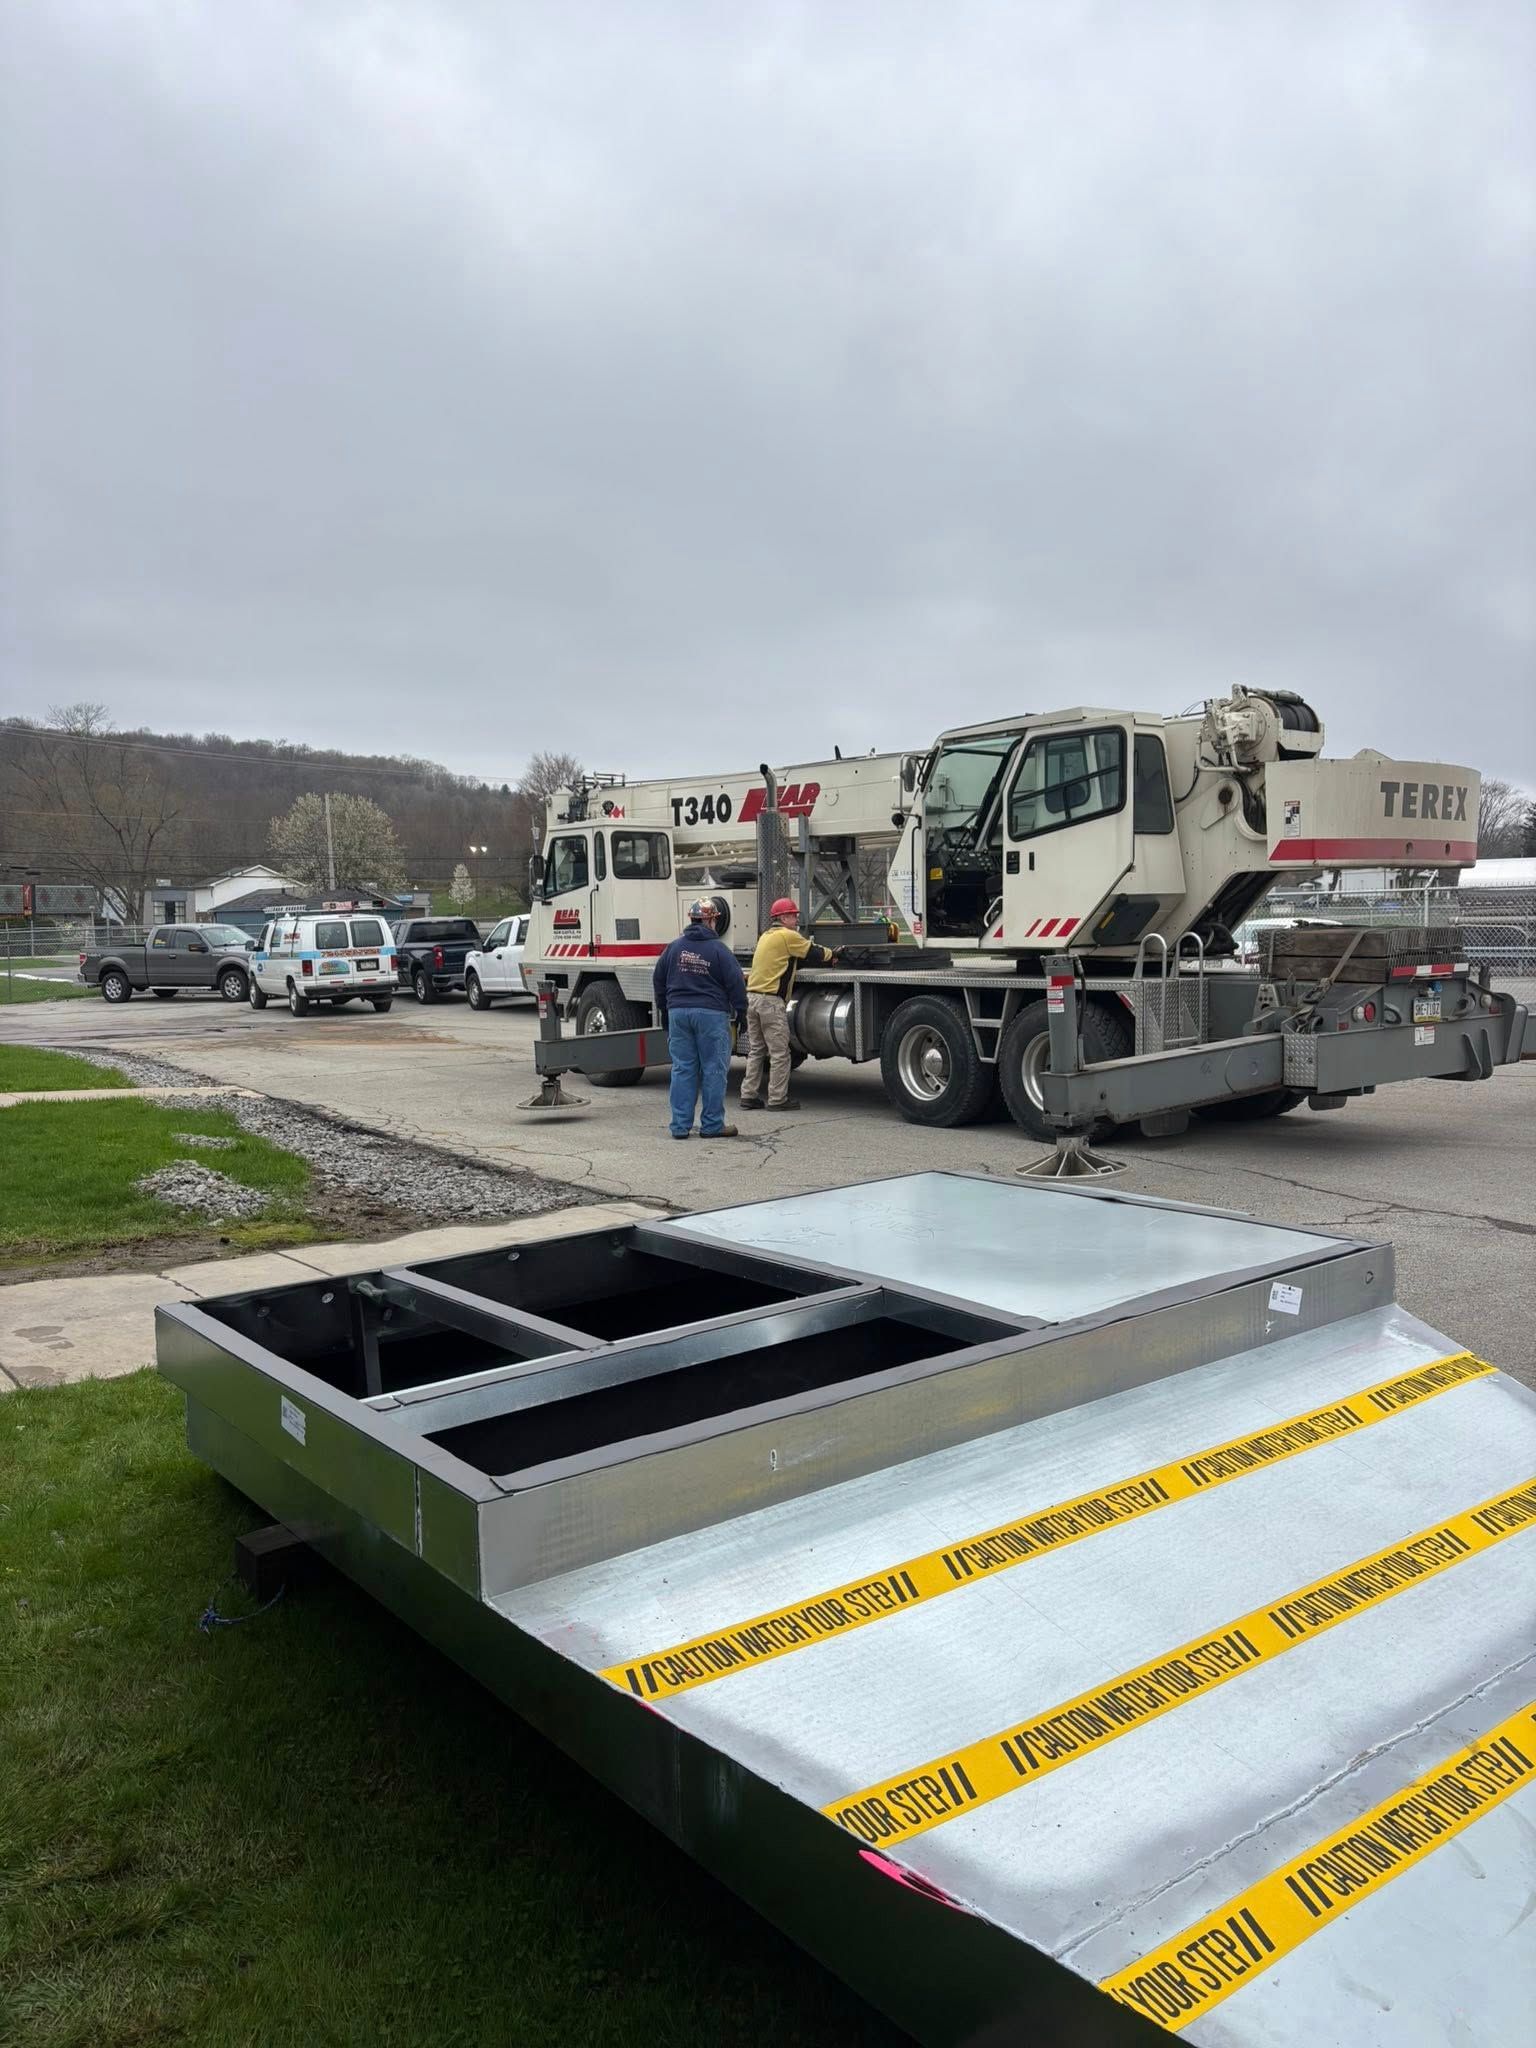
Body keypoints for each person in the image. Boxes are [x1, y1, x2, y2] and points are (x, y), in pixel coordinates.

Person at [652, 898, 748, 1139]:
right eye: (714, 919)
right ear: (710, 920)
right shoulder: (719, 950)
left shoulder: (673, 948)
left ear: (692, 919)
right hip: (710, 1014)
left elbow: (658, 980)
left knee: (683, 1069)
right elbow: (736, 982)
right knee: (713, 1069)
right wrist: (742, 1011)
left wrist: (664, 1010)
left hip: (678, 1013)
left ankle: (680, 1126)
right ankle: (712, 1125)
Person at [741, 898, 839, 1111]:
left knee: (757, 1050)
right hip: (770, 1002)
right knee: (779, 1053)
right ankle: (777, 1099)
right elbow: (814, 952)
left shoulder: (766, 936)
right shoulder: (788, 936)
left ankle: (748, 1095)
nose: (796, 919)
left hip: (753, 999)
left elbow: (793, 959)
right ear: (783, 918)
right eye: (793, 915)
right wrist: (834, 954)